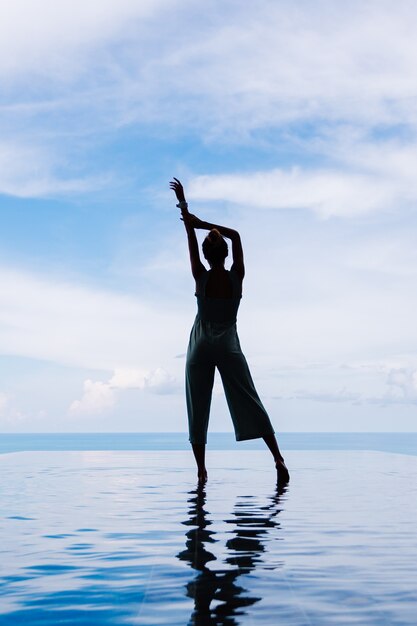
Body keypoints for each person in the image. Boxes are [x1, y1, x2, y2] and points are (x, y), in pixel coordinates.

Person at [170, 178, 289, 484]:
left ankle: (201, 471)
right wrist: (206, 224)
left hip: (200, 343)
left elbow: (189, 236)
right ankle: (277, 458)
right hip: (228, 343)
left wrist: (186, 210)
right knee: (249, 398)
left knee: (197, 404)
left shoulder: (201, 277)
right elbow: (236, 235)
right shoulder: (237, 276)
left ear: (207, 256)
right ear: (225, 253)